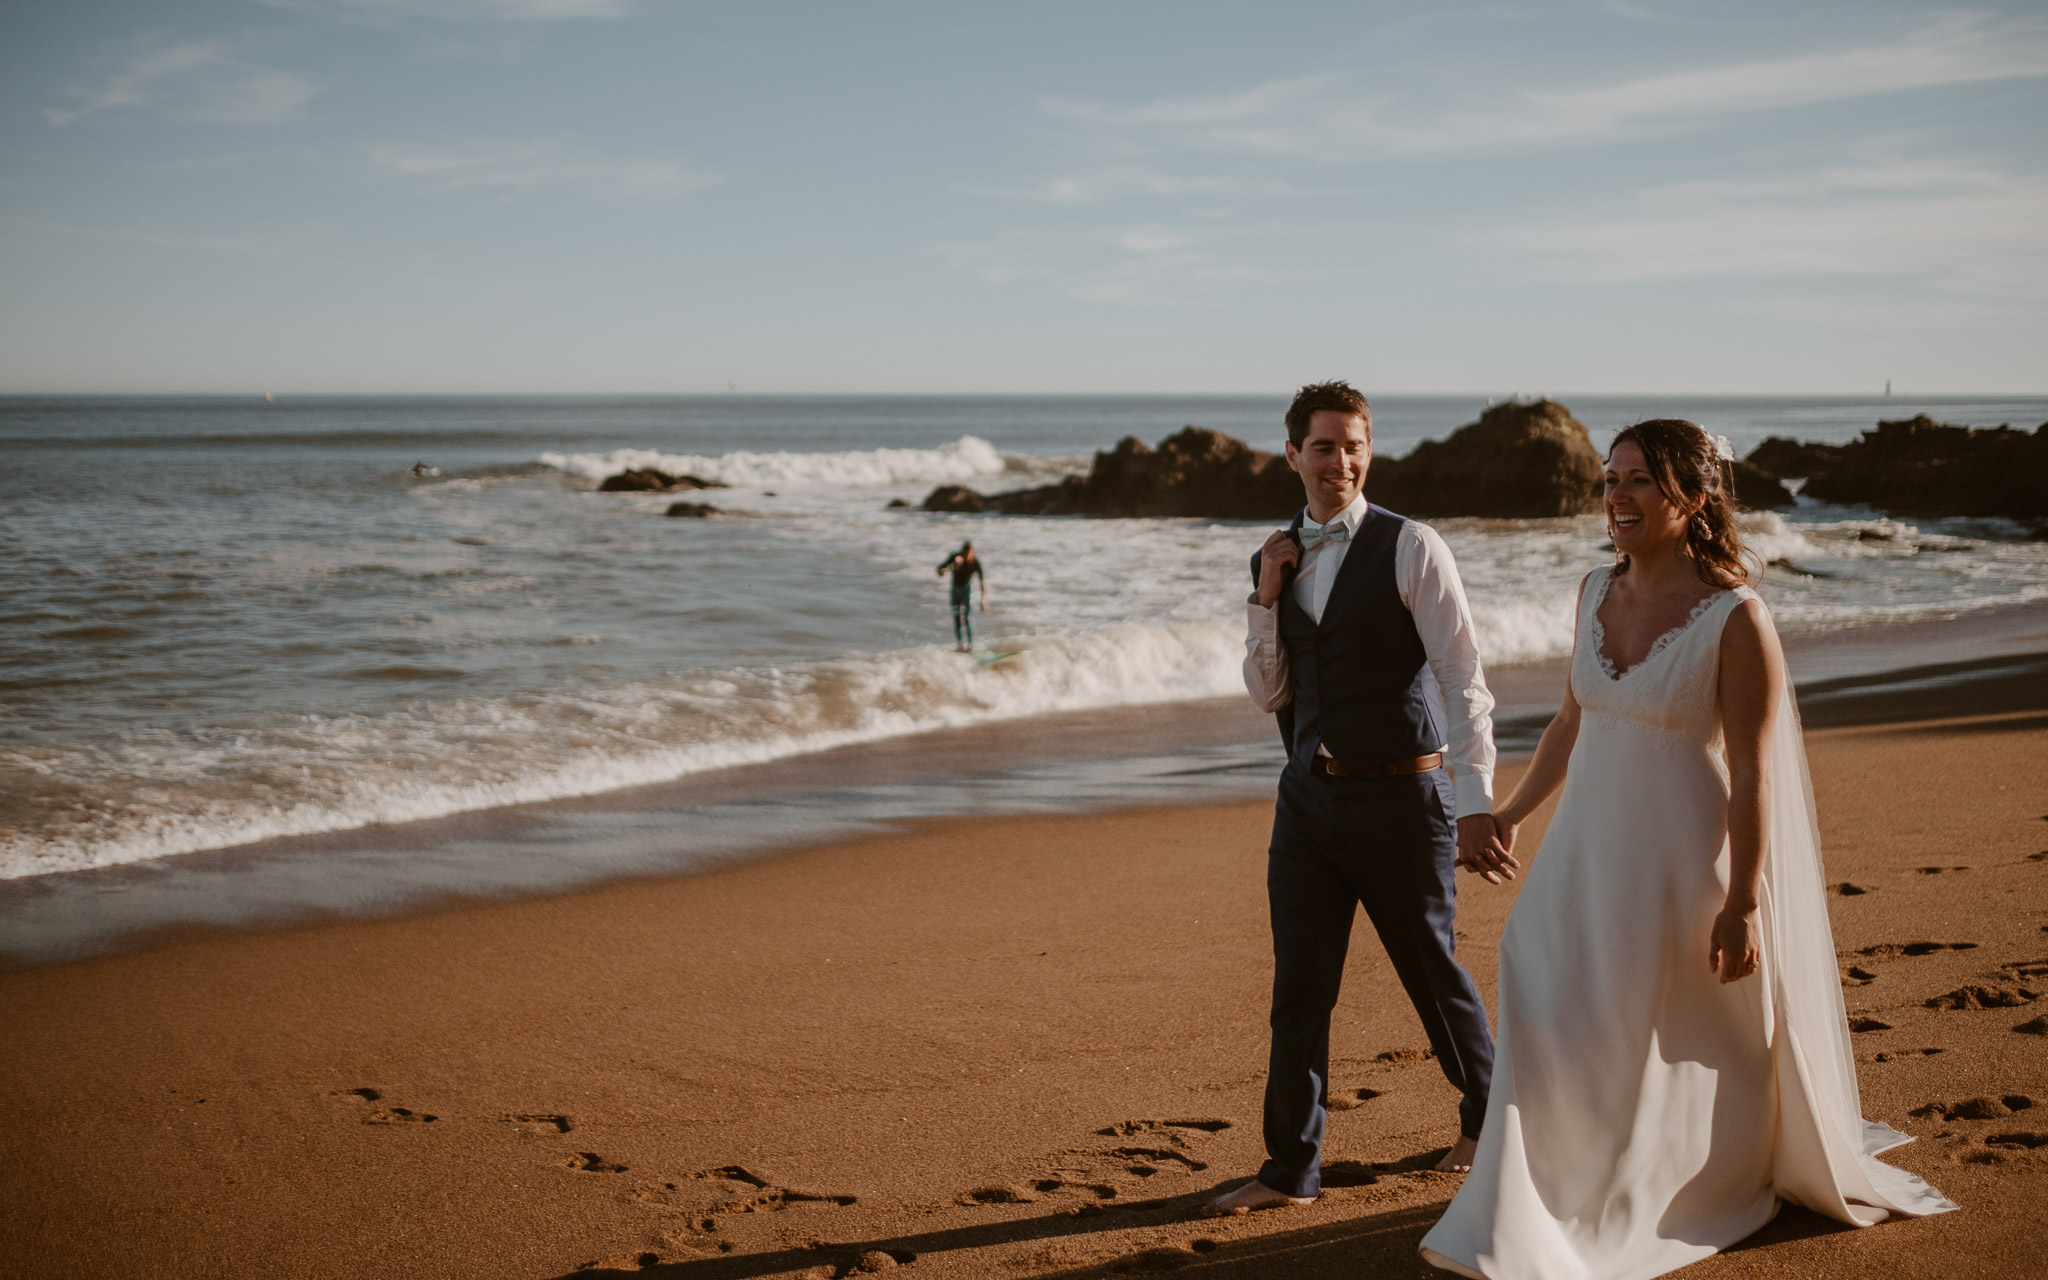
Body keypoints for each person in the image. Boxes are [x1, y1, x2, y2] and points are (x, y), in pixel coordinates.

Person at [1418, 420, 1955, 1279]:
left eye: (1639, 481)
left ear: (1692, 499)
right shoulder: (1595, 589)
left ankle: (1666, 1178)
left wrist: (1742, 901)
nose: (1617, 497)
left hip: (1683, 866)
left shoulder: (1737, 618)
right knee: (1534, 971)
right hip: (1586, 851)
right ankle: (1542, 1181)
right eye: (1609, 479)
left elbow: (1751, 774)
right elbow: (1569, 720)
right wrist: (1513, 809)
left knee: (1655, 1032)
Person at [1205, 380, 1508, 1218]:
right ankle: (1289, 1168)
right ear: (1293, 452)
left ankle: (1492, 1123)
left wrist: (1477, 798)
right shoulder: (1274, 556)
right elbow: (1271, 693)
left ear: (1368, 452)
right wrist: (1265, 595)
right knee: (1299, 988)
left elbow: (1462, 676)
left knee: (1431, 972)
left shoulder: (1413, 546)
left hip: (1404, 801)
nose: (1341, 460)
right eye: (1325, 445)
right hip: (1306, 805)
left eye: (1355, 445)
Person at [936, 541, 987, 652]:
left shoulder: (975, 562)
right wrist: (948, 568)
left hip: (967, 590)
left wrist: (983, 600)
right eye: (966, 553)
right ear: (962, 552)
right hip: (955, 590)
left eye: (970, 553)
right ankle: (961, 644)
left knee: (967, 617)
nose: (967, 556)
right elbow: (940, 570)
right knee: (957, 617)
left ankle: (970, 645)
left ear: (972, 553)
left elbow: (982, 582)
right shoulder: (955, 558)